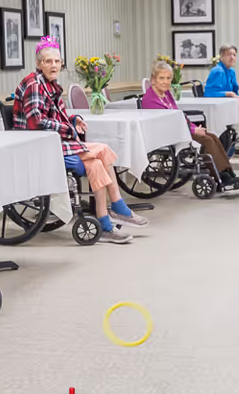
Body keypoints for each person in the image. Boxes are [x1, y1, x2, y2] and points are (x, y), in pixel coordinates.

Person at [13, 38, 143, 244]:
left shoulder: (51, 85)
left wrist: (74, 120)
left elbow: (57, 118)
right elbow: (36, 122)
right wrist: (68, 128)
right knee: (103, 150)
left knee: (97, 163)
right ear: (39, 64)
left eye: (57, 61)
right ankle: (118, 208)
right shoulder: (34, 85)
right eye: (48, 61)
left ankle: (104, 225)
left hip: (55, 143)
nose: (54, 65)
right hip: (39, 147)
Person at [141, 59, 239, 193]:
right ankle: (222, 177)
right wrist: (193, 129)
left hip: (177, 128)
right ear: (153, 80)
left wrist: (194, 127)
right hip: (167, 133)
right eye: (161, 78)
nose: (165, 81)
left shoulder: (166, 94)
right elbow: (169, 122)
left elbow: (178, 116)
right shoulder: (150, 99)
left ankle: (228, 173)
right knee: (207, 140)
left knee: (212, 136)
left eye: (168, 78)